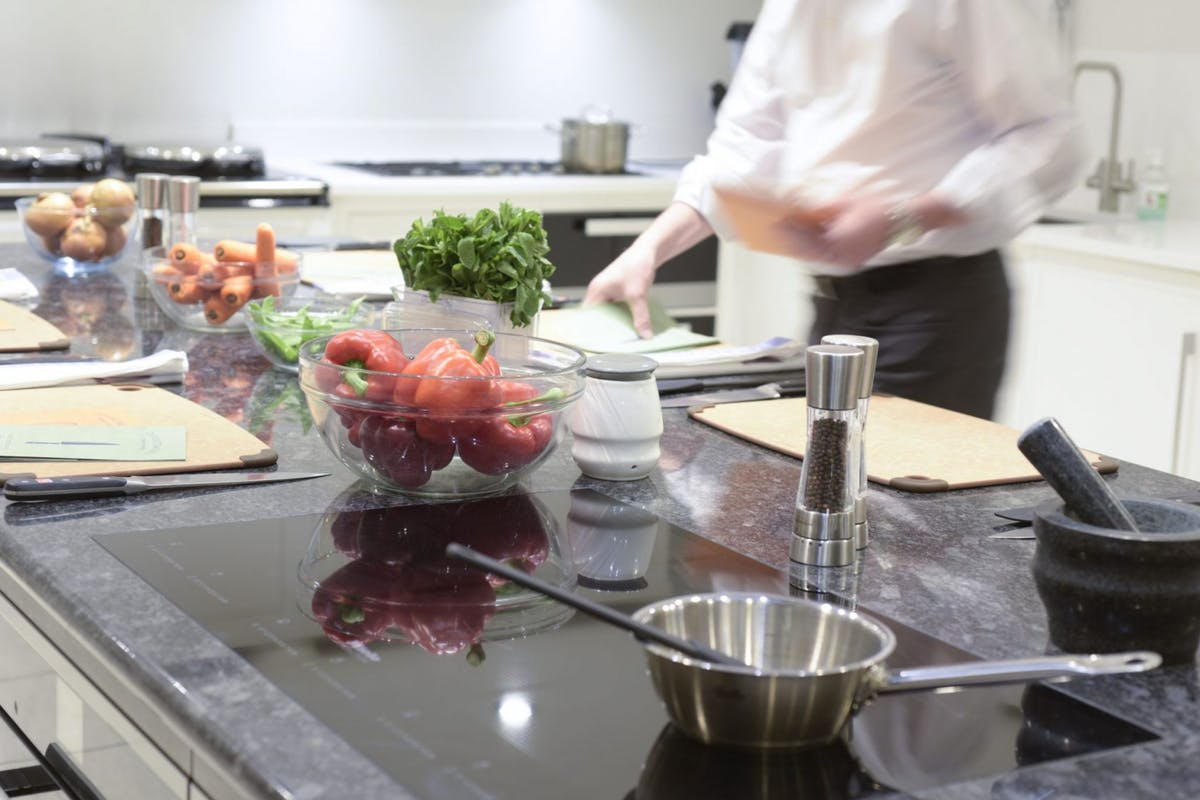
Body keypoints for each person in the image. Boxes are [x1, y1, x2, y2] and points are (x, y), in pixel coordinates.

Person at [583, 0, 1085, 419]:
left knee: (915, 524)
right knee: (824, 506)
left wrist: (906, 215)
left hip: (934, 313)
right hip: (834, 309)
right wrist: (646, 251)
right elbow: (744, 146)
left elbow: (1049, 137)